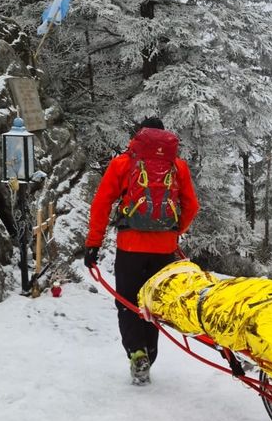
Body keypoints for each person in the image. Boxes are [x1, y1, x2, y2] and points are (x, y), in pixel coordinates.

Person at [84, 117, 199, 385]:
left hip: (130, 247)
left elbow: (101, 204)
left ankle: (136, 352)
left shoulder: (123, 163)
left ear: (139, 135)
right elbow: (191, 205)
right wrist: (174, 231)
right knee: (153, 302)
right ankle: (150, 353)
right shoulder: (177, 166)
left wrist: (93, 243)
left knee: (127, 301)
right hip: (164, 249)